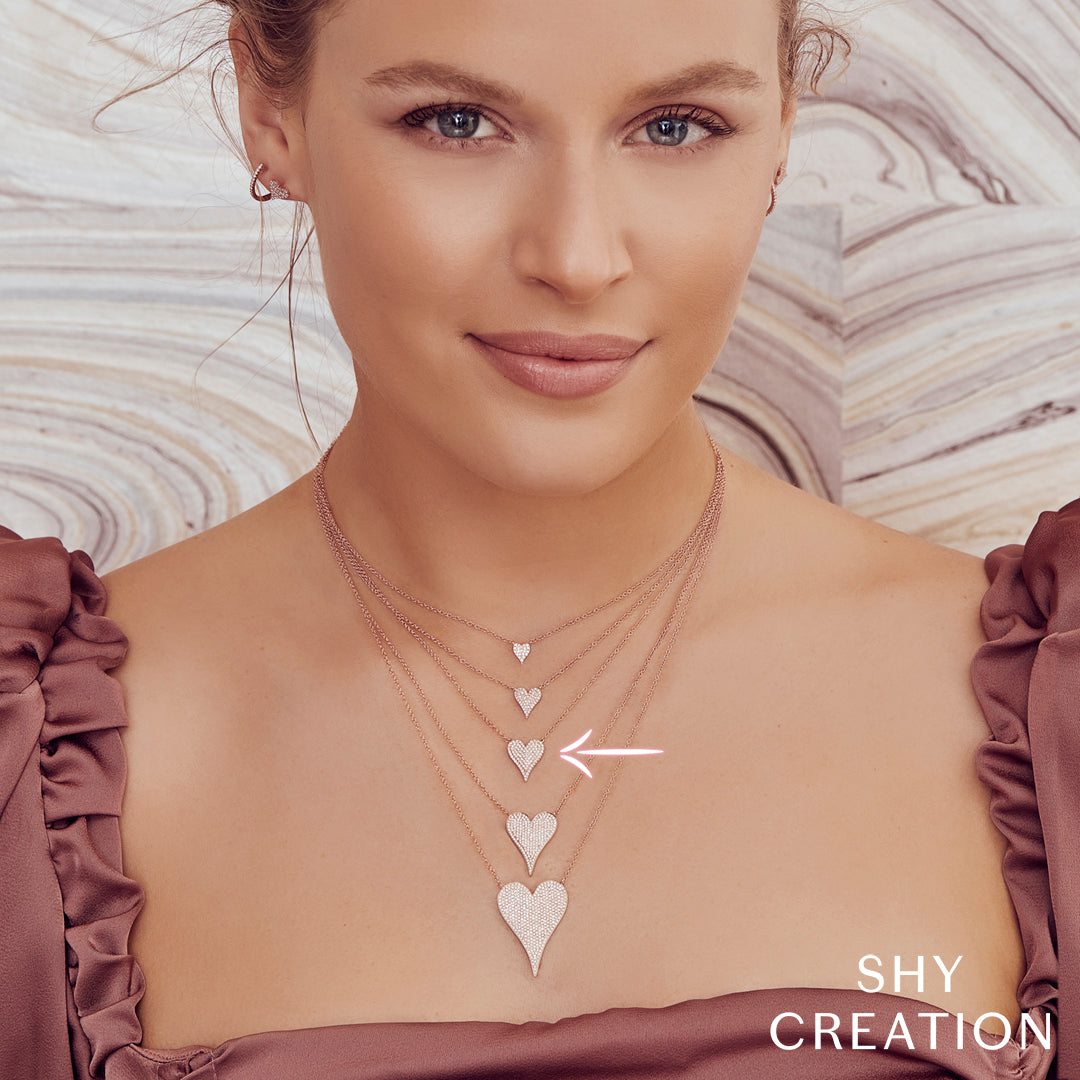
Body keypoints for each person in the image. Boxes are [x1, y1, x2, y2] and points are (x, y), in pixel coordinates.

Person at [1, 0, 1076, 1077]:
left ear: (784, 127)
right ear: (267, 108)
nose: (575, 255)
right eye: (457, 122)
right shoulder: (29, 755)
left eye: (676, 126)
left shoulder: (1054, 712)